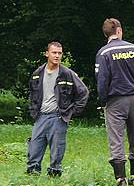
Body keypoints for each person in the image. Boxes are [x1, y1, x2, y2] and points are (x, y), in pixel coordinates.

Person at [95, 18, 134, 186]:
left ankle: (121, 179)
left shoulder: (103, 53)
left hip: (115, 100)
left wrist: (103, 100)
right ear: (119, 30)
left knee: (116, 139)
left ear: (106, 33)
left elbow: (102, 80)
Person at [26, 42, 89, 176]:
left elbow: (83, 92)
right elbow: (32, 93)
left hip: (58, 116)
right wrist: (33, 111)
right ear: (47, 54)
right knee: (34, 147)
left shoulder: (67, 74)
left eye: (59, 53)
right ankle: (32, 174)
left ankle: (54, 174)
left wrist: (71, 111)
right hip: (40, 116)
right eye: (54, 53)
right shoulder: (37, 73)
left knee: (57, 148)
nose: (57, 56)